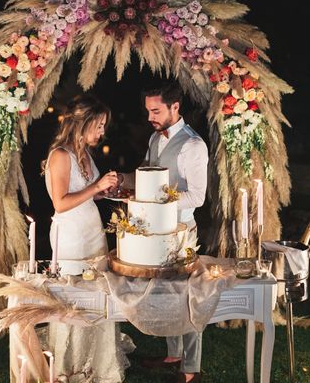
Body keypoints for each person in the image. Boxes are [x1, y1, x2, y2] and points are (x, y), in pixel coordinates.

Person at [118, 82, 208, 383]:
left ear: (175, 107)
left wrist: (158, 200)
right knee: (167, 295)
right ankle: (174, 353)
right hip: (157, 233)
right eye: (148, 111)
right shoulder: (156, 138)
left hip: (182, 233)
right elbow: (146, 174)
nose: (149, 117)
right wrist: (121, 180)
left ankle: (191, 369)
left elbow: (197, 197)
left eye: (155, 111)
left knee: (188, 296)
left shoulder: (193, 146)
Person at [43, 94, 132, 382]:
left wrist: (110, 189)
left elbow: (92, 192)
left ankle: (97, 364)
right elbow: (61, 203)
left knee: (97, 296)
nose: (102, 131)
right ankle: (69, 366)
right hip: (71, 237)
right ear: (84, 123)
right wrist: (96, 187)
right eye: (100, 125)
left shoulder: (85, 155)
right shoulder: (60, 155)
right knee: (75, 298)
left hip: (92, 233)